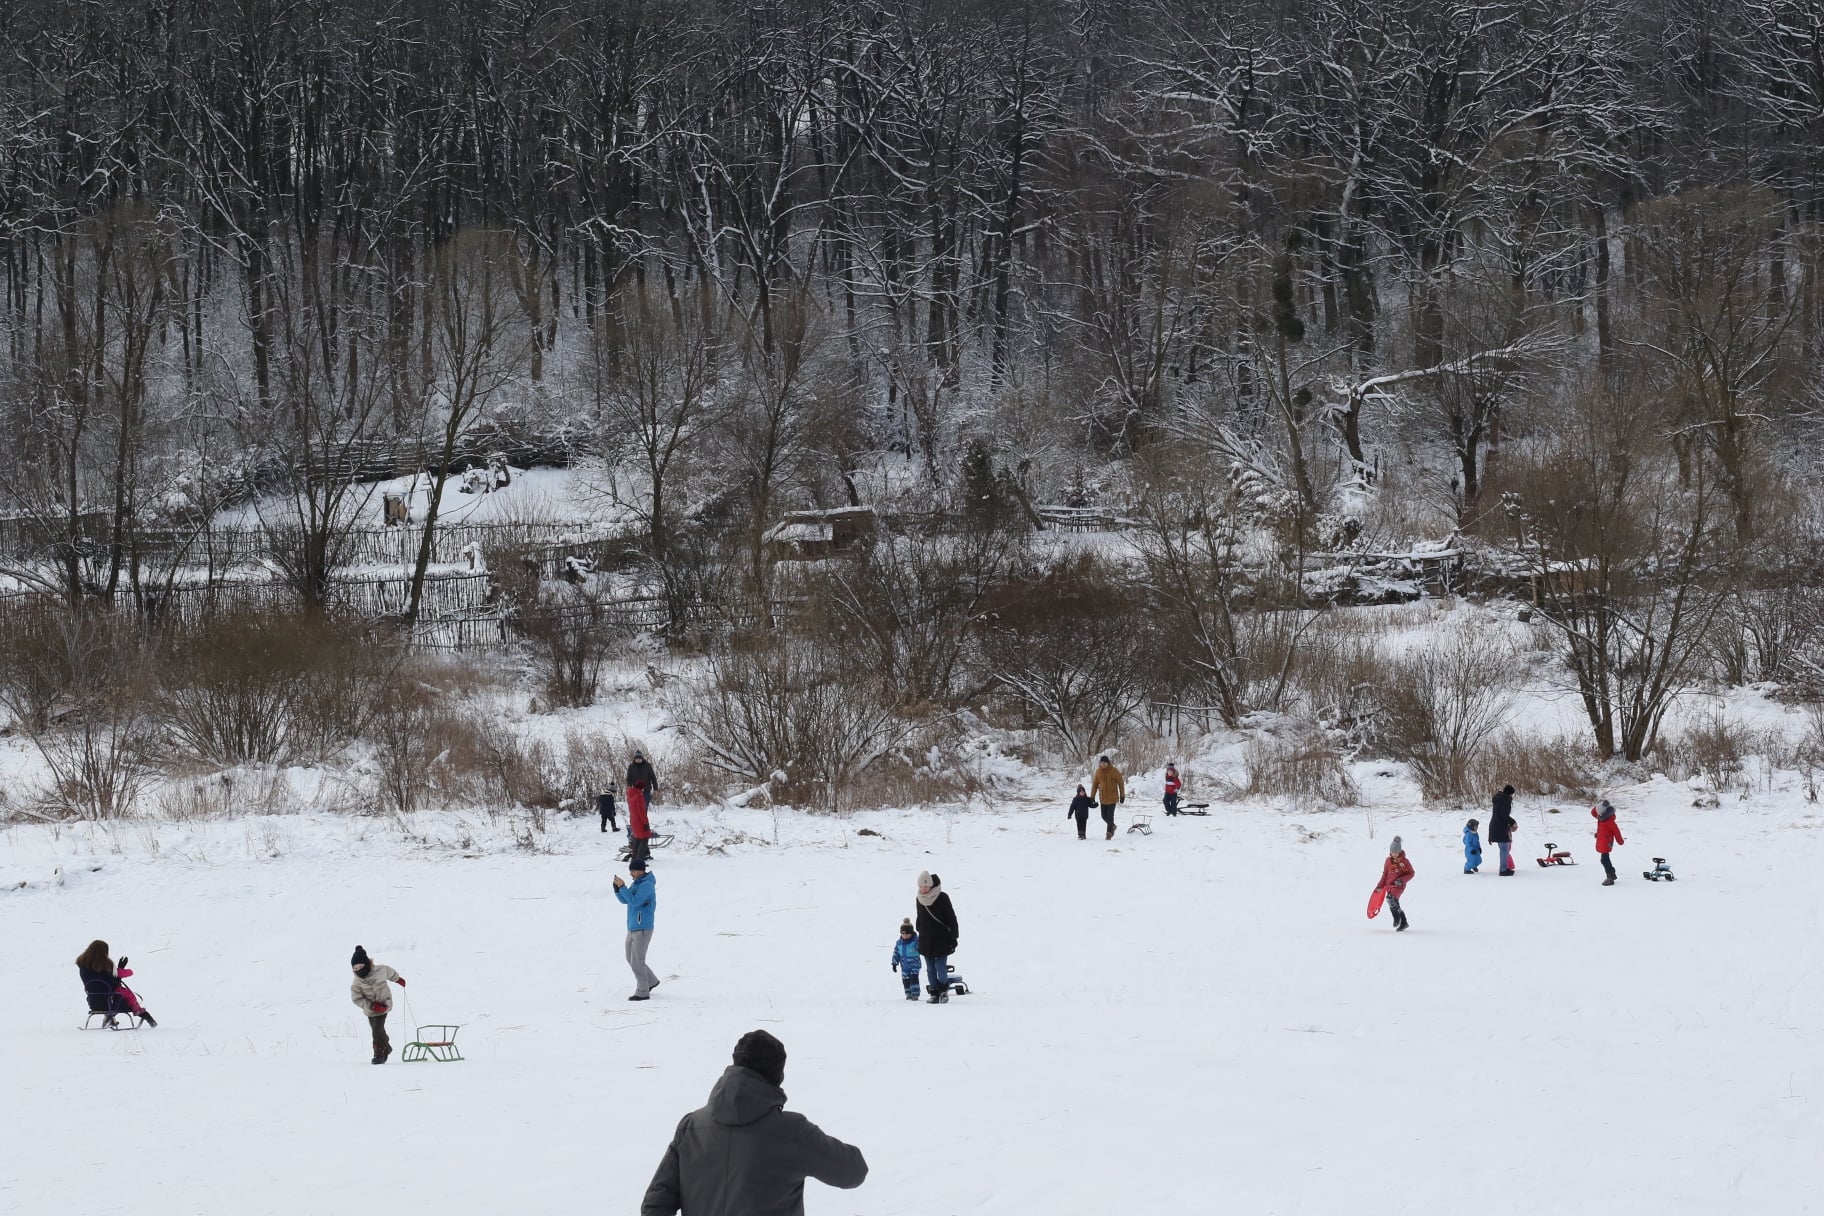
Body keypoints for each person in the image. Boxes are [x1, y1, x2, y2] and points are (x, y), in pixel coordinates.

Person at [640, 1029, 868, 1216]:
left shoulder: (691, 1126)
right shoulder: (792, 1131)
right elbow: (853, 1172)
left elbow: (656, 1204)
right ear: (778, 1075)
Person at [76, 940, 156, 1028]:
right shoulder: (106, 965)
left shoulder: (83, 965)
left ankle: (110, 1018)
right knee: (126, 993)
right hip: (111, 999)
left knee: (118, 993)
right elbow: (115, 981)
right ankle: (138, 1011)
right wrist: (119, 971)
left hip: (93, 1000)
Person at [349, 946, 406, 1064]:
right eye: (355, 968)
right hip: (370, 1010)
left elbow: (390, 972)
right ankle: (386, 1048)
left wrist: (398, 979)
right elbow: (356, 998)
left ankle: (379, 1054)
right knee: (377, 1031)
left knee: (377, 1030)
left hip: (384, 1005)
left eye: (360, 966)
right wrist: (371, 1006)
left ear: (367, 964)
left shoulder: (380, 970)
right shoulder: (357, 983)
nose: (358, 969)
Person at [614, 859, 660, 1000]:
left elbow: (635, 901)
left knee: (637, 961)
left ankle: (642, 991)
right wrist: (618, 890)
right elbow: (626, 900)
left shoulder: (647, 885)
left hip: (642, 928)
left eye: (632, 871)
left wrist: (623, 887)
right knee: (631, 958)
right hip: (633, 926)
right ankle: (651, 981)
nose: (630, 874)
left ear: (640, 870)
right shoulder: (637, 883)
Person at [914, 871, 960, 1003]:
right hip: (926, 939)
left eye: (926, 886)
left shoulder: (942, 897)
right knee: (930, 969)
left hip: (942, 939)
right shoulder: (919, 898)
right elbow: (919, 916)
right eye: (921, 886)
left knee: (940, 968)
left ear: (931, 885)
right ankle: (934, 992)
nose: (923, 889)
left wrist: (954, 935)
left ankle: (944, 990)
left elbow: (951, 917)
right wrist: (919, 929)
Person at [627, 750, 659, 869]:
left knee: (642, 810)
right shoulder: (631, 767)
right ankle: (640, 830)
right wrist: (630, 789)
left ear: (642, 758)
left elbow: (653, 777)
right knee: (638, 811)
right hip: (635, 791)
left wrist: (655, 788)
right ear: (634, 759)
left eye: (640, 758)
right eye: (637, 759)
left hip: (645, 791)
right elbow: (628, 779)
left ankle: (640, 828)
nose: (638, 760)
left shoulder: (647, 766)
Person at [1378, 838, 1415, 932]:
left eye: (1396, 852)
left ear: (1400, 851)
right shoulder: (1388, 861)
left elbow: (1411, 873)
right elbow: (1385, 875)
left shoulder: (1404, 862)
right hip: (1389, 885)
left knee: (1390, 899)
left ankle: (1398, 918)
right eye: (1392, 852)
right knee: (1393, 902)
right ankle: (1402, 921)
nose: (1394, 854)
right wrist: (1379, 886)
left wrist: (1401, 880)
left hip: (1399, 885)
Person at [1088, 755, 1125, 840]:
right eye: (1101, 762)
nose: (1103, 764)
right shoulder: (1098, 772)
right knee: (1103, 816)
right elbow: (1095, 784)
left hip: (1112, 797)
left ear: (1108, 763)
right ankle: (1112, 826)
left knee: (1110, 816)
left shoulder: (1114, 771)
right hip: (1103, 798)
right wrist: (1092, 797)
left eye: (1105, 762)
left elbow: (1120, 782)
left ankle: (1109, 834)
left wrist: (1122, 795)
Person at [1592, 799, 1626, 886]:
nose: (1597, 814)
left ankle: (1610, 877)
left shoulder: (1609, 821)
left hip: (1606, 843)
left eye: (1598, 812)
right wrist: (1601, 805)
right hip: (1602, 841)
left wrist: (1620, 841)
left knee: (1604, 860)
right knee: (1604, 860)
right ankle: (1612, 873)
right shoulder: (1601, 818)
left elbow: (1616, 831)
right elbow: (1593, 812)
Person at [1489, 785, 1517, 875]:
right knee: (1504, 850)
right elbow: (1503, 815)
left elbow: (1500, 814)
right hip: (1500, 827)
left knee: (1503, 849)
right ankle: (1503, 870)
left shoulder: (1499, 798)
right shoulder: (1505, 800)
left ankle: (1505, 868)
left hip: (1495, 826)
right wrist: (1513, 822)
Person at [890, 918, 921, 1000]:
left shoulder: (916, 941)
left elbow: (920, 948)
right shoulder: (899, 943)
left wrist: (920, 945)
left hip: (914, 965)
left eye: (907, 933)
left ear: (911, 933)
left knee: (914, 979)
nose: (905, 935)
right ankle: (908, 993)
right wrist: (894, 963)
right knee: (905, 980)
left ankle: (915, 994)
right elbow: (896, 953)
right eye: (903, 933)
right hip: (904, 966)